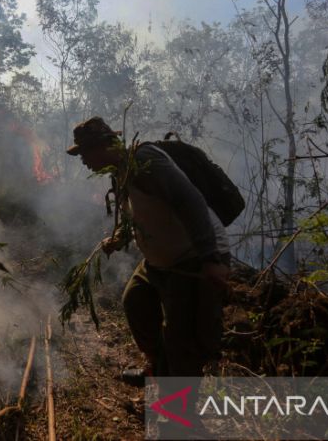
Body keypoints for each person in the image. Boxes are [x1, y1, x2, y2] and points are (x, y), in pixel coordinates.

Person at [66, 117, 231, 382]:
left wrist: (211, 259)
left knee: (181, 341)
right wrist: (119, 238)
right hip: (159, 263)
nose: (84, 160)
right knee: (136, 302)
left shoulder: (145, 160)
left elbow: (191, 202)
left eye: (85, 152)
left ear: (104, 145)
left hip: (193, 259)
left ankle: (180, 416)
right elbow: (139, 216)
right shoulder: (121, 172)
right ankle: (157, 369)